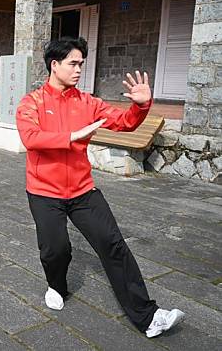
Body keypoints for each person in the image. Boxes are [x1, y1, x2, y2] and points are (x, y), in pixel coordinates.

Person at [15, 37, 184, 338]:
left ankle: (148, 317)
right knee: (56, 251)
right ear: (54, 65)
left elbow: (123, 122)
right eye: (73, 63)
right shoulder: (33, 102)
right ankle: (56, 285)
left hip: (82, 190)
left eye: (82, 63)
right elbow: (31, 137)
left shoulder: (88, 102)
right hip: (44, 191)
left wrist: (141, 106)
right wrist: (71, 135)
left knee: (114, 245)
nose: (79, 69)